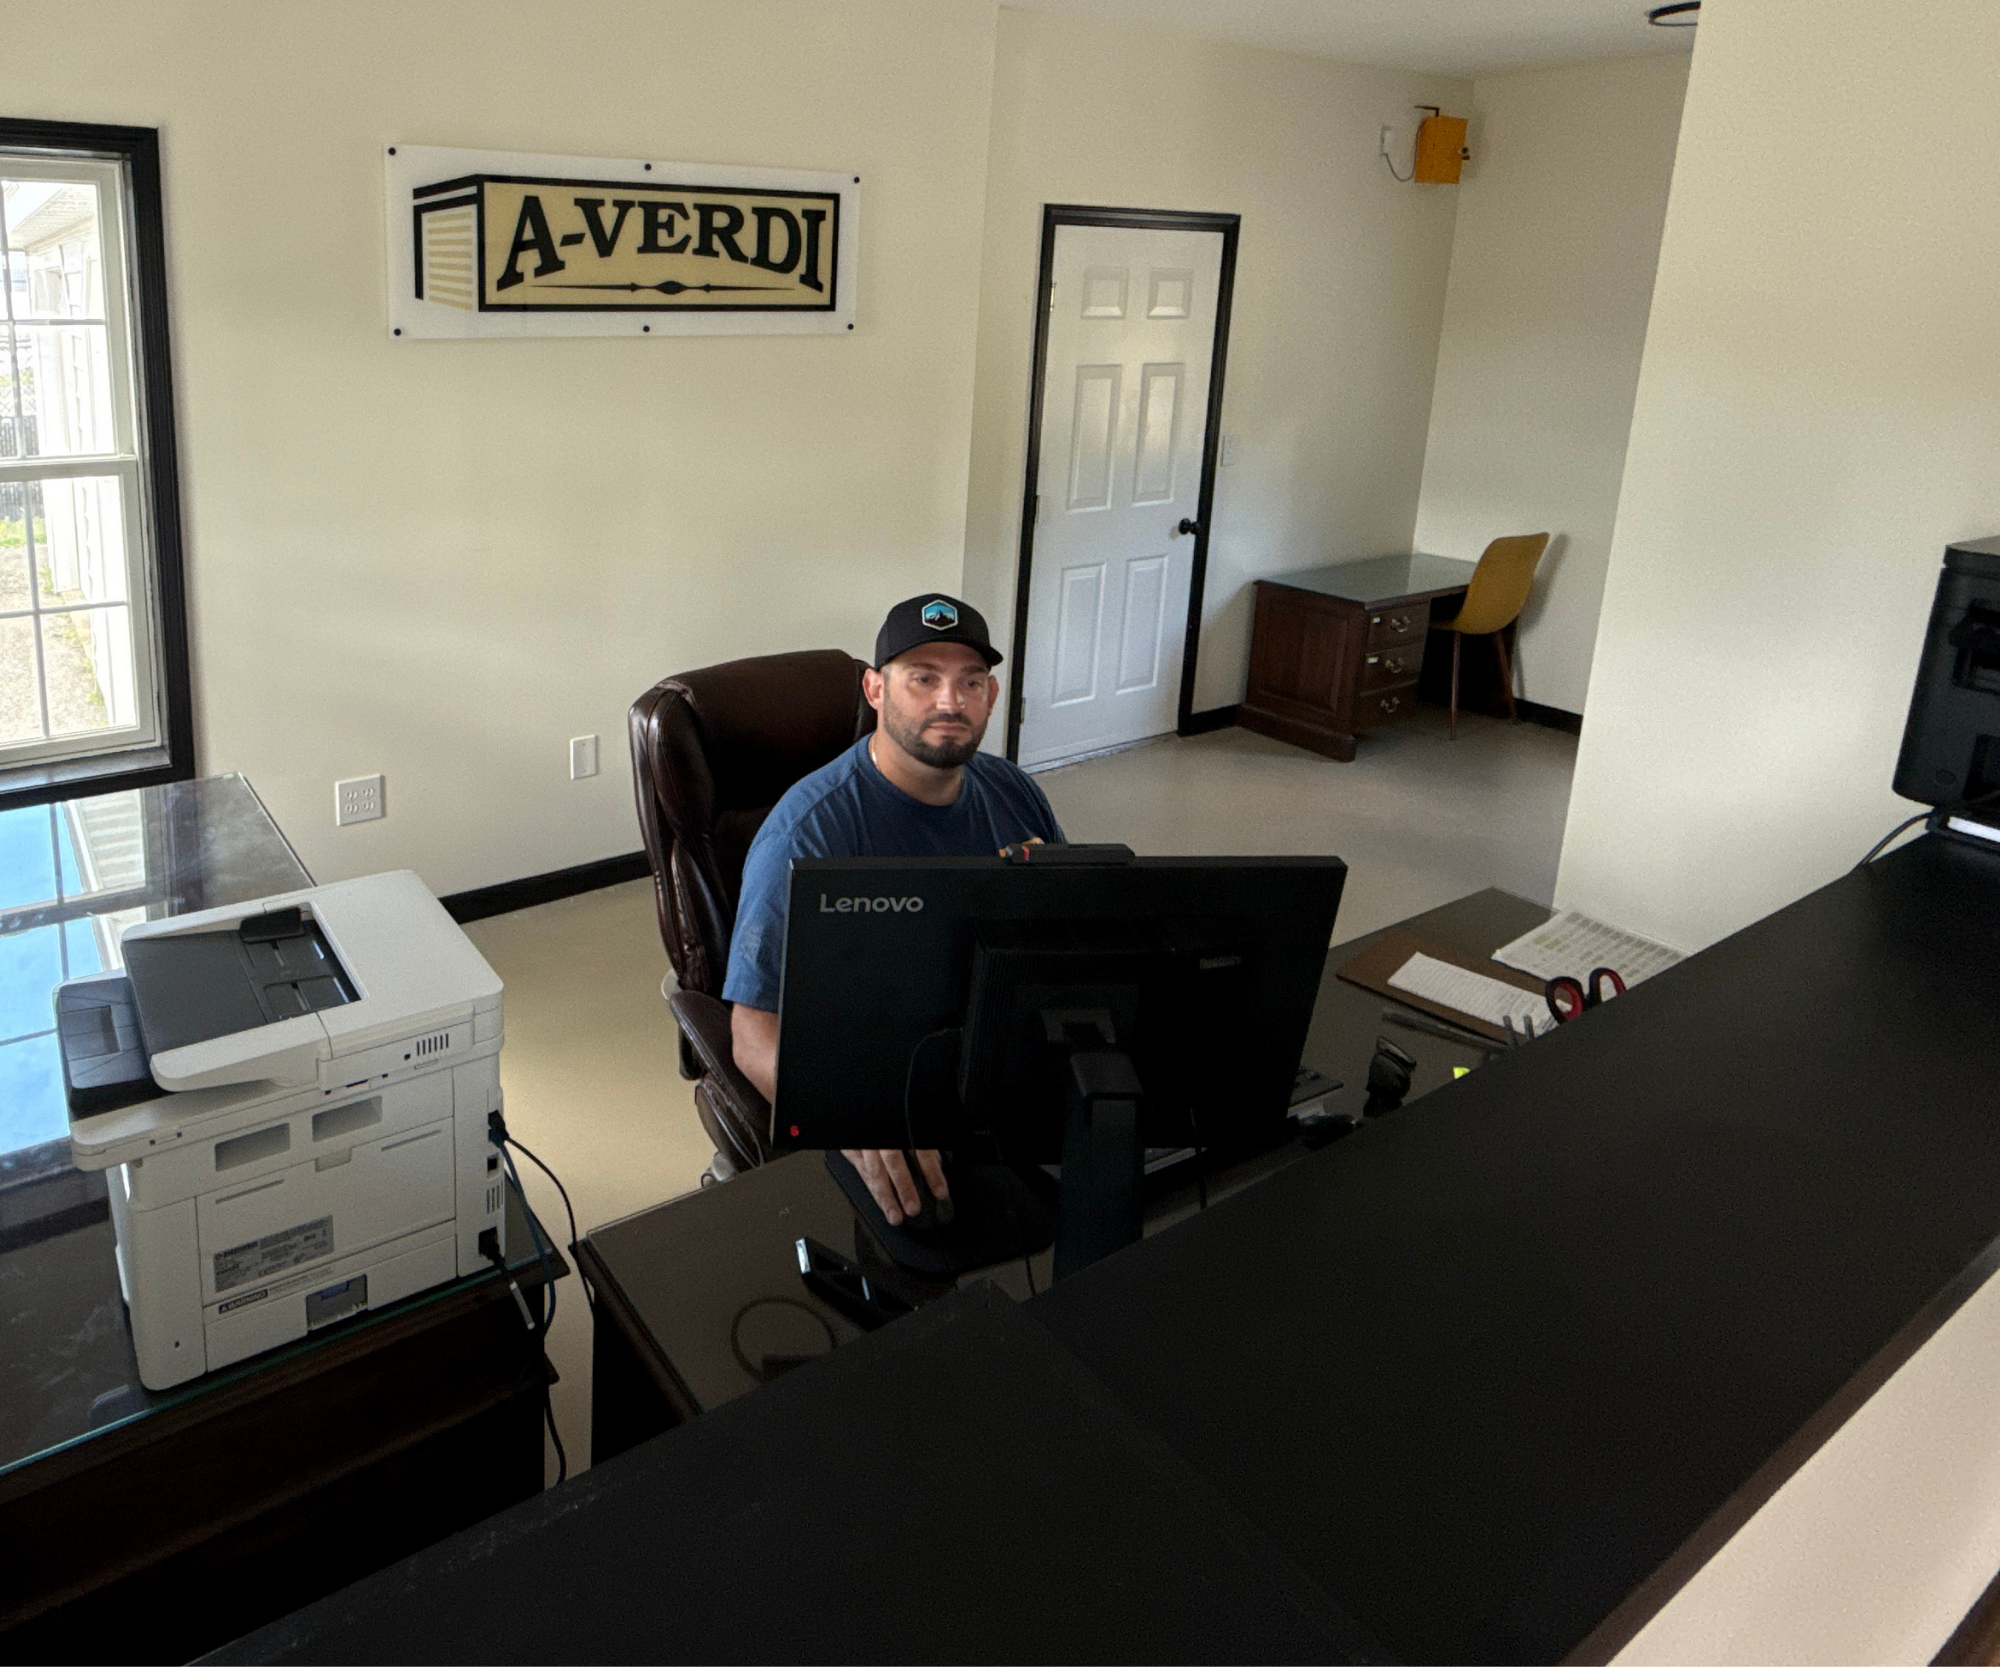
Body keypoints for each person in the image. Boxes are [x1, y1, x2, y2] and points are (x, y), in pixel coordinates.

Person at [722, 593, 1063, 1221]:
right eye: (923, 678)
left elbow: (1070, 941)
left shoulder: (1015, 794)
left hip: (993, 1065)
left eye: (971, 681)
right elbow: (751, 1037)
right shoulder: (807, 834)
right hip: (882, 1080)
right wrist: (852, 1117)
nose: (949, 702)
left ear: (991, 695)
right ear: (875, 690)